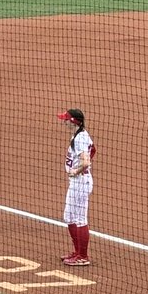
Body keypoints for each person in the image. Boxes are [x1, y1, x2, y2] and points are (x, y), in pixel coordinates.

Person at [58, 108, 95, 266]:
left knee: (80, 219)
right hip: (77, 182)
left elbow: (86, 161)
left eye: (66, 119)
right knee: (69, 217)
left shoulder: (80, 138)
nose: (64, 121)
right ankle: (77, 251)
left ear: (73, 121)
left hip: (80, 182)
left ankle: (83, 256)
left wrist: (77, 170)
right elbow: (93, 149)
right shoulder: (79, 135)